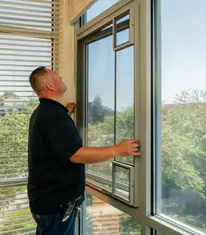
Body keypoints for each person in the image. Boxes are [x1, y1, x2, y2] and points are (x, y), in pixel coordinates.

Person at [27, 66, 141, 235]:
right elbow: (76, 155)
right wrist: (117, 149)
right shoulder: (53, 116)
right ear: (50, 86)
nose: (61, 77)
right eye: (57, 76)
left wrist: (66, 112)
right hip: (55, 205)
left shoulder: (44, 113)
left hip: (46, 202)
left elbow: (58, 142)